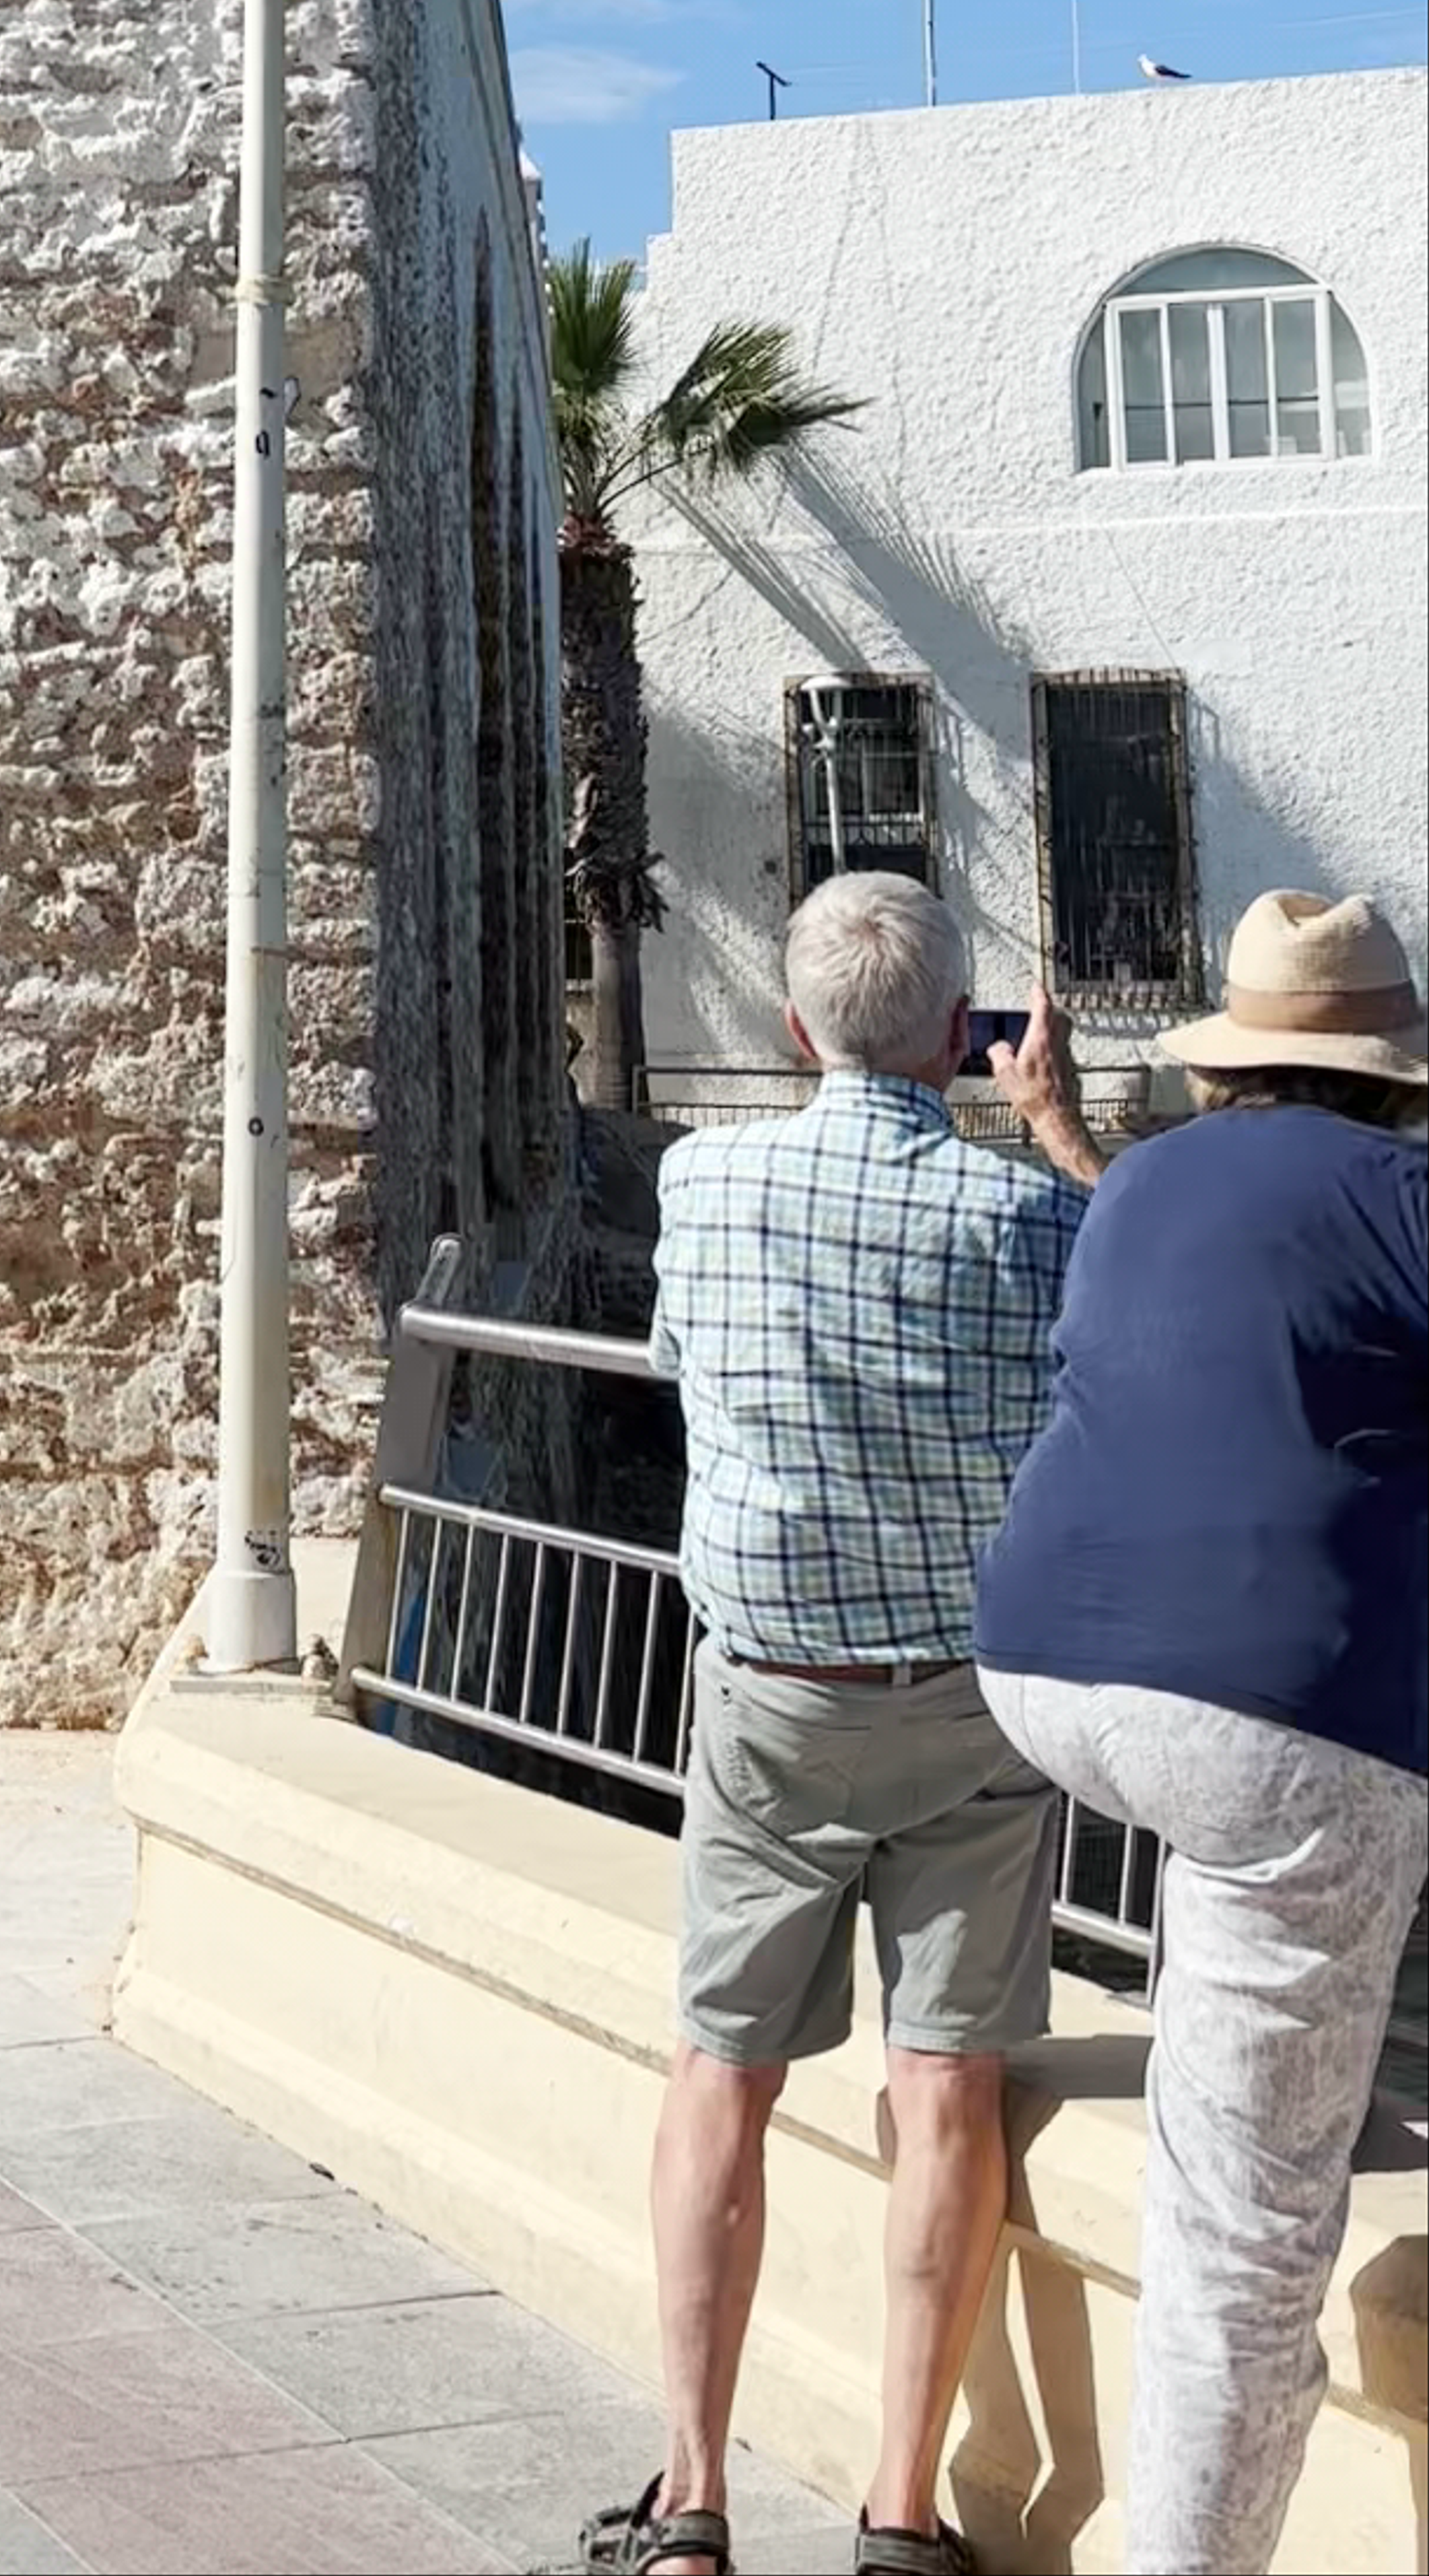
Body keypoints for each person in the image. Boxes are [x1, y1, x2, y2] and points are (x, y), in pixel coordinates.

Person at [575, 871, 1103, 2576]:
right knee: (945, 2086)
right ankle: (901, 2509)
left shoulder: (705, 1177)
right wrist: (1063, 1130)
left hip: (772, 1700)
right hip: (969, 1705)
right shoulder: (1032, 1216)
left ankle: (692, 2502)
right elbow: (1137, 1351)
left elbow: (680, 1357)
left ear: (796, 1029)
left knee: (720, 2074)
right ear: (963, 1033)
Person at [975, 888, 1429, 2576]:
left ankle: (1264, 2064)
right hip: (1268, 1711)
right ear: (1392, 1067)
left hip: (1042, 1658)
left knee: (1238, 1954)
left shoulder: (1149, 1176)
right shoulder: (1404, 1193)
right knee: (1244, 2246)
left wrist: (1060, 1126)